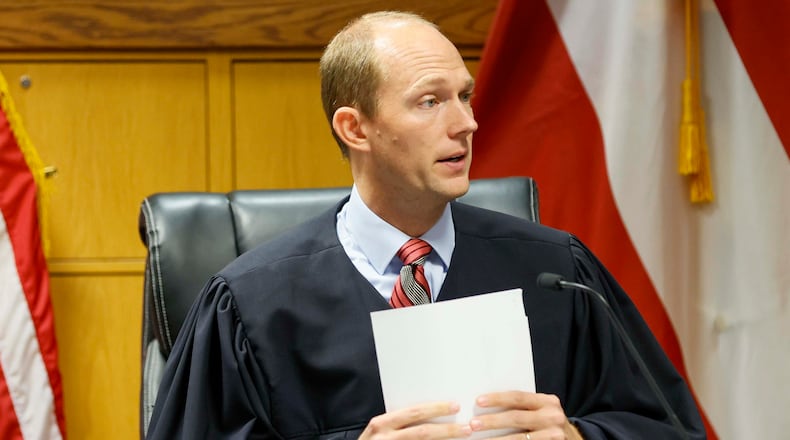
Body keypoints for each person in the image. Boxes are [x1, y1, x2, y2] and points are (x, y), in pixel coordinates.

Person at [146, 11, 705, 439]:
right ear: (355, 129)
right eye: (430, 101)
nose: (466, 123)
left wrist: (579, 436)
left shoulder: (557, 273)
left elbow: (667, 427)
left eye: (465, 96)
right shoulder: (251, 306)